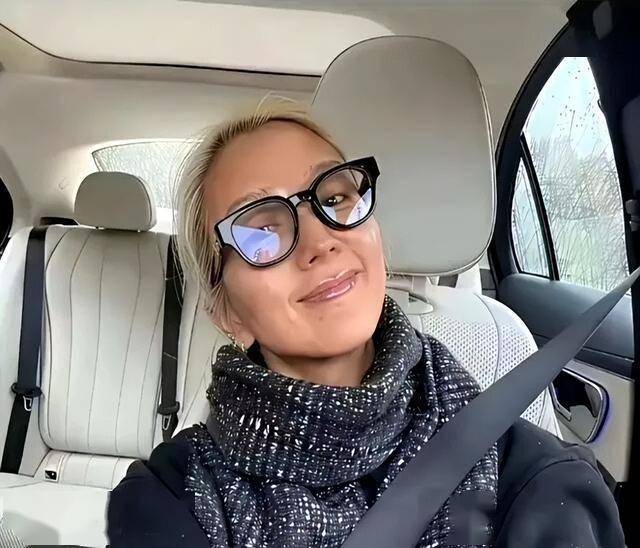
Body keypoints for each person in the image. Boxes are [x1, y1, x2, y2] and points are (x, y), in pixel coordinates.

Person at [107, 99, 625, 547]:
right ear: (227, 313)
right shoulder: (171, 499)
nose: (320, 242)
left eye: (334, 199)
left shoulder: (536, 483)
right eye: (261, 231)